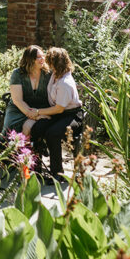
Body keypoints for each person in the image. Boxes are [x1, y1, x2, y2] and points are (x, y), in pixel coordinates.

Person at [29, 47, 84, 183]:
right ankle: (36, 170)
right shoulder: (55, 74)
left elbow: (59, 109)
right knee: (37, 128)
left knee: (53, 133)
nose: (47, 64)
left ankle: (57, 174)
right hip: (59, 114)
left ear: (55, 64)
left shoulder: (65, 83)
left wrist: (38, 112)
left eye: (49, 61)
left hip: (71, 116)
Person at [2, 45, 49, 137]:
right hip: (18, 109)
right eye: (38, 57)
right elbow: (17, 100)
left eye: (43, 56)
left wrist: (38, 113)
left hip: (41, 110)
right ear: (29, 60)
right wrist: (34, 116)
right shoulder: (18, 74)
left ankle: (31, 150)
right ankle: (10, 150)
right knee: (10, 131)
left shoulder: (48, 74)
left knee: (31, 127)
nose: (42, 59)